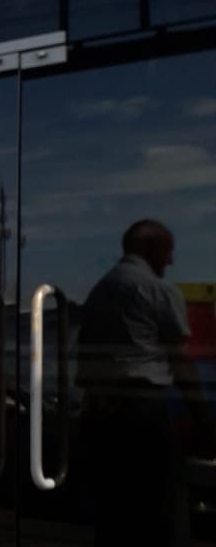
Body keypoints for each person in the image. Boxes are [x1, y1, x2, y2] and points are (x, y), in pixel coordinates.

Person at [76, 219, 215, 547]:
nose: (171, 261)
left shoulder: (100, 291)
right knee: (165, 517)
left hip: (97, 417)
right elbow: (180, 363)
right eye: (168, 251)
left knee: (114, 520)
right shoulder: (158, 291)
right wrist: (204, 420)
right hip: (141, 415)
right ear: (151, 248)